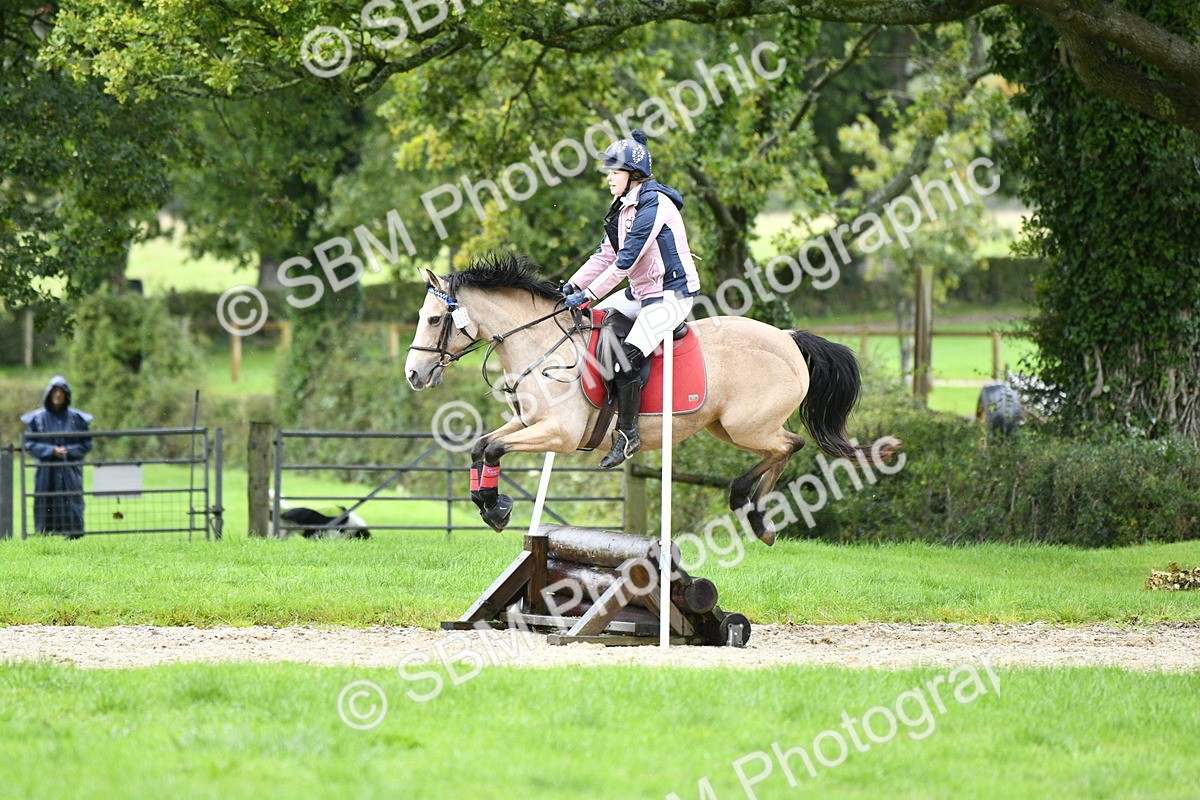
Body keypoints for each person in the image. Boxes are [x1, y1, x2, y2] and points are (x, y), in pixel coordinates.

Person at [561, 129, 702, 469]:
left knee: (625, 354)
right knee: (593, 325)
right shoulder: (623, 208)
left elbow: (626, 261)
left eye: (615, 172)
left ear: (633, 175)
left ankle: (627, 435)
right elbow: (602, 256)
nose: (609, 178)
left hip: (672, 296)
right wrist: (569, 288)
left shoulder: (654, 204)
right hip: (640, 294)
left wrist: (588, 295)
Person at [21, 375, 93, 539]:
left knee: (72, 500)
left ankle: (74, 535)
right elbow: (30, 444)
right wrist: (51, 451)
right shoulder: (37, 419)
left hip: (70, 468)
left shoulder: (77, 419)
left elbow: (86, 444)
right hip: (46, 470)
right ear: (49, 394)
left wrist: (68, 451)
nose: (58, 395)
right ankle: (43, 535)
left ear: (66, 395)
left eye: (61, 392)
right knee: (44, 501)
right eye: (55, 392)